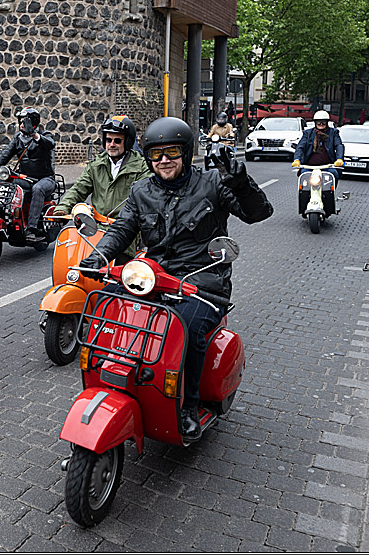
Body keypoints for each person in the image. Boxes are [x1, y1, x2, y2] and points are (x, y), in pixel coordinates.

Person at [82, 117, 273, 441]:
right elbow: (122, 228)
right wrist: (98, 257)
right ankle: (109, 383)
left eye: (171, 152)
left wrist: (241, 182)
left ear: (185, 153)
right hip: (155, 275)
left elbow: (258, 213)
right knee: (107, 307)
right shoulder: (142, 190)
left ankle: (188, 405)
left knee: (187, 329)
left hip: (203, 281)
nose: (164, 160)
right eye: (156, 154)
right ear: (148, 158)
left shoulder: (213, 182)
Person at [54, 115, 151, 263]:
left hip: (125, 232)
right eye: (108, 140)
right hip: (94, 230)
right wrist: (62, 208)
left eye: (117, 140)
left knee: (118, 275)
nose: (112, 144)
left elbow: (146, 196)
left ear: (128, 141)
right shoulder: (96, 165)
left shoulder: (142, 167)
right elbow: (79, 188)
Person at [0, 107, 56, 242]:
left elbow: (50, 144)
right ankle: (4, 217)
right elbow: (6, 154)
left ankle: (32, 229)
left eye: (25, 122)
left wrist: (34, 135)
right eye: (20, 121)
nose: (21, 124)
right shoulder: (18, 137)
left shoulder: (45, 135)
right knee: (5, 183)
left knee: (38, 189)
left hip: (45, 179)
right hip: (25, 178)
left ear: (33, 122)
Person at [292, 110, 344, 180]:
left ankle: (331, 191)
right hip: (309, 167)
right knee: (302, 176)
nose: (321, 124)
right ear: (315, 122)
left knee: (334, 174)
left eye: (323, 122)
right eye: (318, 122)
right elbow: (300, 147)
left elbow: (339, 146)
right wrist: (297, 159)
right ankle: (303, 191)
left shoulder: (333, 132)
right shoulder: (307, 133)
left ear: (327, 122)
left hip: (327, 167)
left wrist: (339, 159)